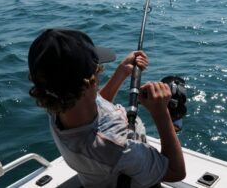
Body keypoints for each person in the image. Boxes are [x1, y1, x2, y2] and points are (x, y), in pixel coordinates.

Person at [28, 28, 185, 188]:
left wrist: (121, 72)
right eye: (97, 69)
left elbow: (95, 103)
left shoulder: (57, 102)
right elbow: (175, 172)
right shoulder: (116, 148)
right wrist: (161, 112)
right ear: (89, 82)